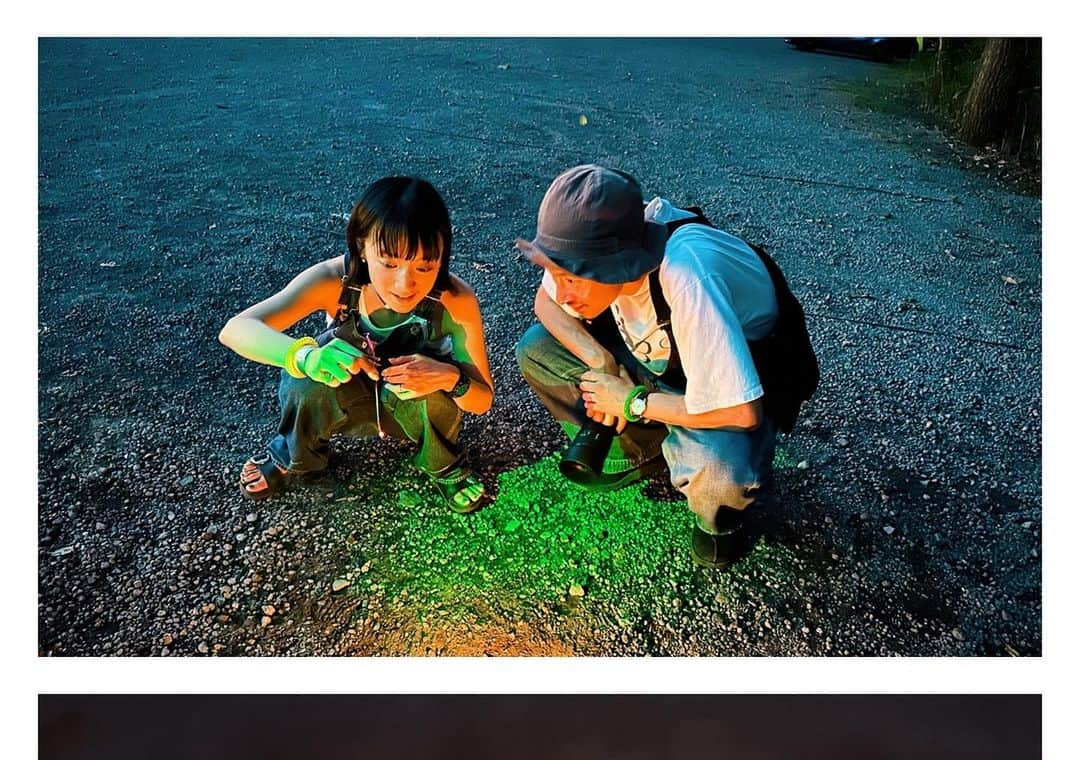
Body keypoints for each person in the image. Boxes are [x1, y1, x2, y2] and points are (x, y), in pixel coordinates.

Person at [515, 165, 815, 568]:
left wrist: (633, 402)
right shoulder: (593, 246)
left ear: (618, 263)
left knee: (721, 468)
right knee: (536, 348)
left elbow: (742, 411)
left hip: (734, 390)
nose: (564, 293)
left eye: (574, 279)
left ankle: (719, 519)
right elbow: (545, 304)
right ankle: (647, 452)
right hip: (661, 366)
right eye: (554, 273)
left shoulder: (688, 274)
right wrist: (602, 362)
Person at [219, 176, 493, 512]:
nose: (406, 284)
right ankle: (293, 454)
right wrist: (305, 358)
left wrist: (451, 377)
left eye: (425, 266)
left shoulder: (455, 299)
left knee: (433, 390)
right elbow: (236, 329)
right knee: (304, 379)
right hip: (346, 394)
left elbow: (481, 401)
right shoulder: (334, 280)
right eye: (389, 263)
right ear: (362, 246)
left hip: (410, 406)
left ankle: (443, 464)